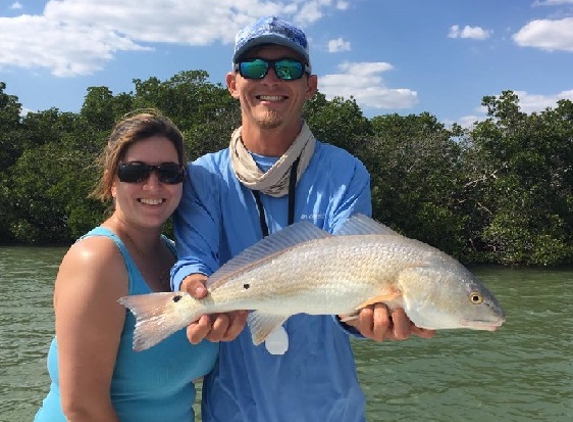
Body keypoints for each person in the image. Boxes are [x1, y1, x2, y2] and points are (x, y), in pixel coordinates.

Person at [171, 16, 435, 422]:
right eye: (255, 68)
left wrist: (367, 317)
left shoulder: (345, 171)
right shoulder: (203, 176)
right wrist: (195, 291)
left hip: (333, 409)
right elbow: (193, 260)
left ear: (310, 86)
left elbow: (357, 269)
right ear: (233, 83)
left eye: (289, 69)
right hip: (234, 408)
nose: (271, 80)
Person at [34, 111, 219, 422]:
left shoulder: (179, 261)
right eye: (135, 172)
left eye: (169, 172)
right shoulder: (96, 259)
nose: (153, 185)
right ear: (111, 182)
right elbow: (83, 408)